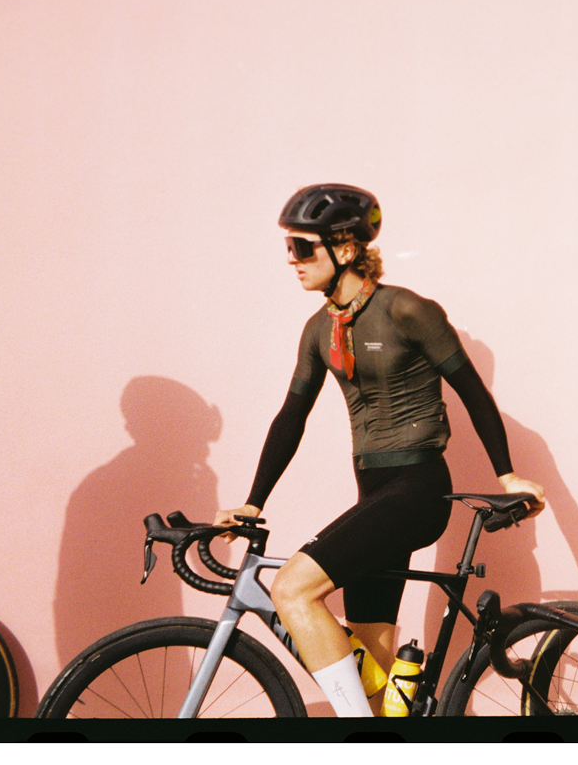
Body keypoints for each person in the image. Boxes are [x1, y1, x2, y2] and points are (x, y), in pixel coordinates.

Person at [216, 184, 545, 718]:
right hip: (373, 492)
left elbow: (474, 395)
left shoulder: (407, 310)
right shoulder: (318, 329)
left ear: (344, 250)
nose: (292, 261)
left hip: (417, 491)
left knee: (294, 588)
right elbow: (291, 418)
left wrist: (508, 476)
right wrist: (253, 502)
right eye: (290, 250)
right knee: (373, 666)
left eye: (302, 248)